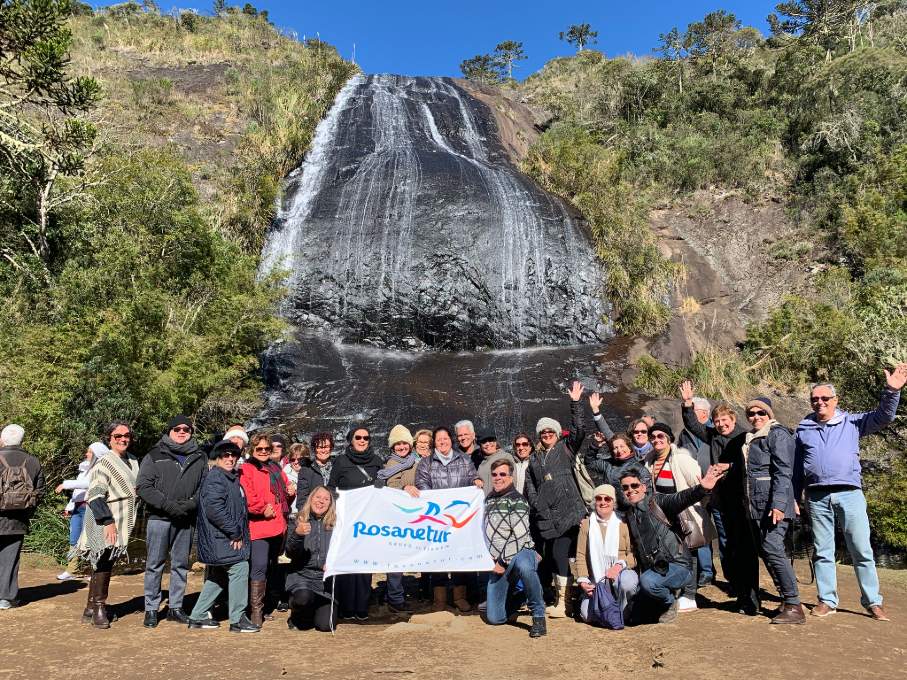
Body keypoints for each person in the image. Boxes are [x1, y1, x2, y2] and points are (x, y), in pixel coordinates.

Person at [794, 364, 906, 622]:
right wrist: (793, 496)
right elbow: (797, 467)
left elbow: (883, 417)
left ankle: (873, 602)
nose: (819, 402)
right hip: (817, 496)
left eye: (824, 398)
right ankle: (827, 600)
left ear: (836, 400)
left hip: (850, 493)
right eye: (814, 399)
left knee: (861, 549)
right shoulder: (803, 429)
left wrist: (891, 391)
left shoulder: (853, 422)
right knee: (823, 550)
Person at [722, 397, 804, 623]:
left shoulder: (777, 434)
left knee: (773, 549)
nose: (756, 417)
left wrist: (778, 504)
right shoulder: (752, 438)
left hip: (772, 506)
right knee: (768, 551)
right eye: (751, 414)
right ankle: (787, 601)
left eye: (761, 413)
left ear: (769, 414)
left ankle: (794, 605)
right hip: (756, 506)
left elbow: (783, 472)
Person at [619, 462, 726, 623]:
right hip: (654, 570)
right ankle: (660, 599)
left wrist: (701, 489)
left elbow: (680, 498)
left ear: (643, 487)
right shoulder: (630, 514)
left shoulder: (657, 502)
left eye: (634, 485)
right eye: (625, 488)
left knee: (648, 583)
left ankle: (670, 602)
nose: (630, 490)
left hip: (677, 565)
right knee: (634, 616)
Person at [136, 415, 207, 628]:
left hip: (185, 520)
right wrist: (169, 506)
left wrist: (188, 506)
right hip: (159, 519)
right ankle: (151, 608)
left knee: (180, 565)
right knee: (155, 564)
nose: (182, 432)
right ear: (169, 431)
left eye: (186, 429)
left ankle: (176, 607)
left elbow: (204, 487)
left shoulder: (200, 456)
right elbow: (144, 487)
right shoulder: (154, 454)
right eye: (177, 429)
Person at [525, 380, 588, 619]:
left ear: (556, 433)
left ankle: (565, 603)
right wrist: (536, 503)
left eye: (550, 431)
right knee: (553, 556)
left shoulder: (566, 449)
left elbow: (579, 430)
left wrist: (575, 403)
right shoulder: (534, 459)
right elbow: (529, 485)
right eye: (543, 432)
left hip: (569, 512)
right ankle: (562, 599)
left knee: (562, 553)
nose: (547, 434)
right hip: (547, 515)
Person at [680, 380, 747, 593]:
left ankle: (744, 580)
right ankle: (732, 581)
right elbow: (692, 425)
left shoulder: (744, 437)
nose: (721, 424)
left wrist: (730, 465)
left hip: (741, 497)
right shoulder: (714, 436)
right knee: (725, 540)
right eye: (717, 421)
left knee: (741, 540)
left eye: (724, 420)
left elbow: (752, 463)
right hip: (719, 498)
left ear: (733, 419)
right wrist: (688, 403)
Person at [187, 441, 259, 633]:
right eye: (225, 455)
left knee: (218, 576)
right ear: (217, 458)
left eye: (233, 455)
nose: (229, 458)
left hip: (221, 537)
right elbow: (214, 509)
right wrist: (234, 532)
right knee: (239, 567)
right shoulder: (216, 478)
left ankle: (198, 615)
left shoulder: (229, 477)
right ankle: (237, 619)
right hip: (222, 537)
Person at [72, 421, 139, 628]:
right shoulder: (103, 463)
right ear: (109, 439)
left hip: (125, 517)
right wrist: (108, 521)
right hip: (107, 517)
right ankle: (100, 606)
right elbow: (95, 495)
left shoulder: (134, 460)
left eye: (126, 435)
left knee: (106, 562)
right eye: (117, 436)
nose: (123, 439)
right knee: (103, 561)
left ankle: (90, 607)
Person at [642, 422, 714, 612]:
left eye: (661, 436)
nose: (656, 440)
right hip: (662, 515)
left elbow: (699, 485)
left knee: (691, 550)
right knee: (672, 551)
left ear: (669, 439)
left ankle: (690, 595)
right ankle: (677, 589)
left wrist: (698, 510)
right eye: (653, 437)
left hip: (684, 512)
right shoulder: (649, 460)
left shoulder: (681, 459)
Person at [415, 426, 482, 612]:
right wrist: (440, 504)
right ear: (433, 443)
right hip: (436, 519)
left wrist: (476, 481)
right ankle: (439, 600)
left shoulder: (464, 460)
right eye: (438, 439)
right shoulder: (426, 463)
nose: (442, 442)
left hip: (459, 519)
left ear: (450, 440)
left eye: (445, 438)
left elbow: (472, 477)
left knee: (458, 557)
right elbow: (422, 485)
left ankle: (459, 597)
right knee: (438, 559)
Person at [483, 458, 546, 637]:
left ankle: (539, 615)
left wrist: (502, 561)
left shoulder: (518, 501)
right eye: (494, 474)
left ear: (511, 477)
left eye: (503, 474)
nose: (498, 478)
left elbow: (518, 536)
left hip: (520, 551)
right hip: (497, 560)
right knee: (495, 618)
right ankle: (521, 596)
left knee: (525, 567)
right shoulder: (488, 500)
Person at [328, 425, 383, 621]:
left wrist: (380, 486)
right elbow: (331, 486)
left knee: (364, 566)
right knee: (347, 564)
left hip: (368, 522)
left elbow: (384, 488)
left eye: (366, 438)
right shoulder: (341, 462)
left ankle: (361, 606)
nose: (362, 440)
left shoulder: (377, 462)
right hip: (347, 521)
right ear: (351, 440)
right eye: (358, 437)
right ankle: (346, 607)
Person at [240, 433, 292, 626]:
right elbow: (247, 494)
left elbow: (283, 494)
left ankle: (264, 607)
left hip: (277, 526)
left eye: (267, 449)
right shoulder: (247, 468)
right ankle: (255, 612)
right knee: (259, 566)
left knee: (270, 566)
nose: (263, 452)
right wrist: (261, 509)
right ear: (252, 450)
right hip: (258, 526)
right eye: (259, 449)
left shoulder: (275, 468)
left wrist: (290, 493)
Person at [574, 484, 639, 623]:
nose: (603, 502)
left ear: (613, 502)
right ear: (594, 502)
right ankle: (607, 609)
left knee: (627, 583)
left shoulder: (623, 523)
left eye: (607, 499)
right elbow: (580, 555)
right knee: (586, 615)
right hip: (597, 578)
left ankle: (622, 612)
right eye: (599, 498)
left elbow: (633, 553)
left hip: (621, 572)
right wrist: (583, 580)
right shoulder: (587, 524)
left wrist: (619, 566)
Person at [0, 424, 45, 610]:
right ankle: (6, 598)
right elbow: (41, 492)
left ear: (2, 439)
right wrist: (26, 511)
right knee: (10, 558)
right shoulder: (33, 462)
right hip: (18, 520)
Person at [377, 424, 420, 613]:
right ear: (392, 447)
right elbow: (389, 488)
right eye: (398, 444)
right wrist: (404, 489)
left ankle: (396, 594)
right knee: (396, 557)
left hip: (413, 515)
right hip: (396, 516)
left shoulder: (415, 461)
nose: (402, 447)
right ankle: (395, 598)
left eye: (405, 443)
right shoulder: (391, 464)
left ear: (410, 445)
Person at [55, 442, 109, 581]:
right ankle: (71, 569)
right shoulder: (84, 469)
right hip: (78, 508)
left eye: (90, 452)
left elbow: (88, 485)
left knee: (92, 539)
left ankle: (94, 570)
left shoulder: (100, 469)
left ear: (97, 454)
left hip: (90, 508)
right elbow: (78, 491)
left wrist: (65, 484)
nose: (87, 454)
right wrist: (69, 506)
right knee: (74, 539)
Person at [286, 486, 337, 632]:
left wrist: (334, 564)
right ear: (311, 499)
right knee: (303, 600)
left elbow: (344, 551)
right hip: (302, 576)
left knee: (325, 626)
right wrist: (297, 534)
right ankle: (297, 614)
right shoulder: (297, 520)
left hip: (325, 581)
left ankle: (316, 608)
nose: (321, 502)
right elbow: (290, 553)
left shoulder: (336, 524)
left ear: (330, 504)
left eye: (326, 499)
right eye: (318, 497)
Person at [585, 434, 652, 508]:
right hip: (610, 508)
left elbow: (647, 494)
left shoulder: (640, 469)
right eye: (615, 448)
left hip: (631, 510)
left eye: (622, 446)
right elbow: (589, 463)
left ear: (629, 448)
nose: (619, 450)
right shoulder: (608, 464)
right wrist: (595, 446)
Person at [296, 432, 334, 509]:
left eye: (326, 447)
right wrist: (307, 519)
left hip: (337, 515)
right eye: (319, 447)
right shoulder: (306, 470)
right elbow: (302, 500)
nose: (323, 450)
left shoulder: (338, 466)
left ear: (331, 448)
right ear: (314, 449)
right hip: (315, 516)